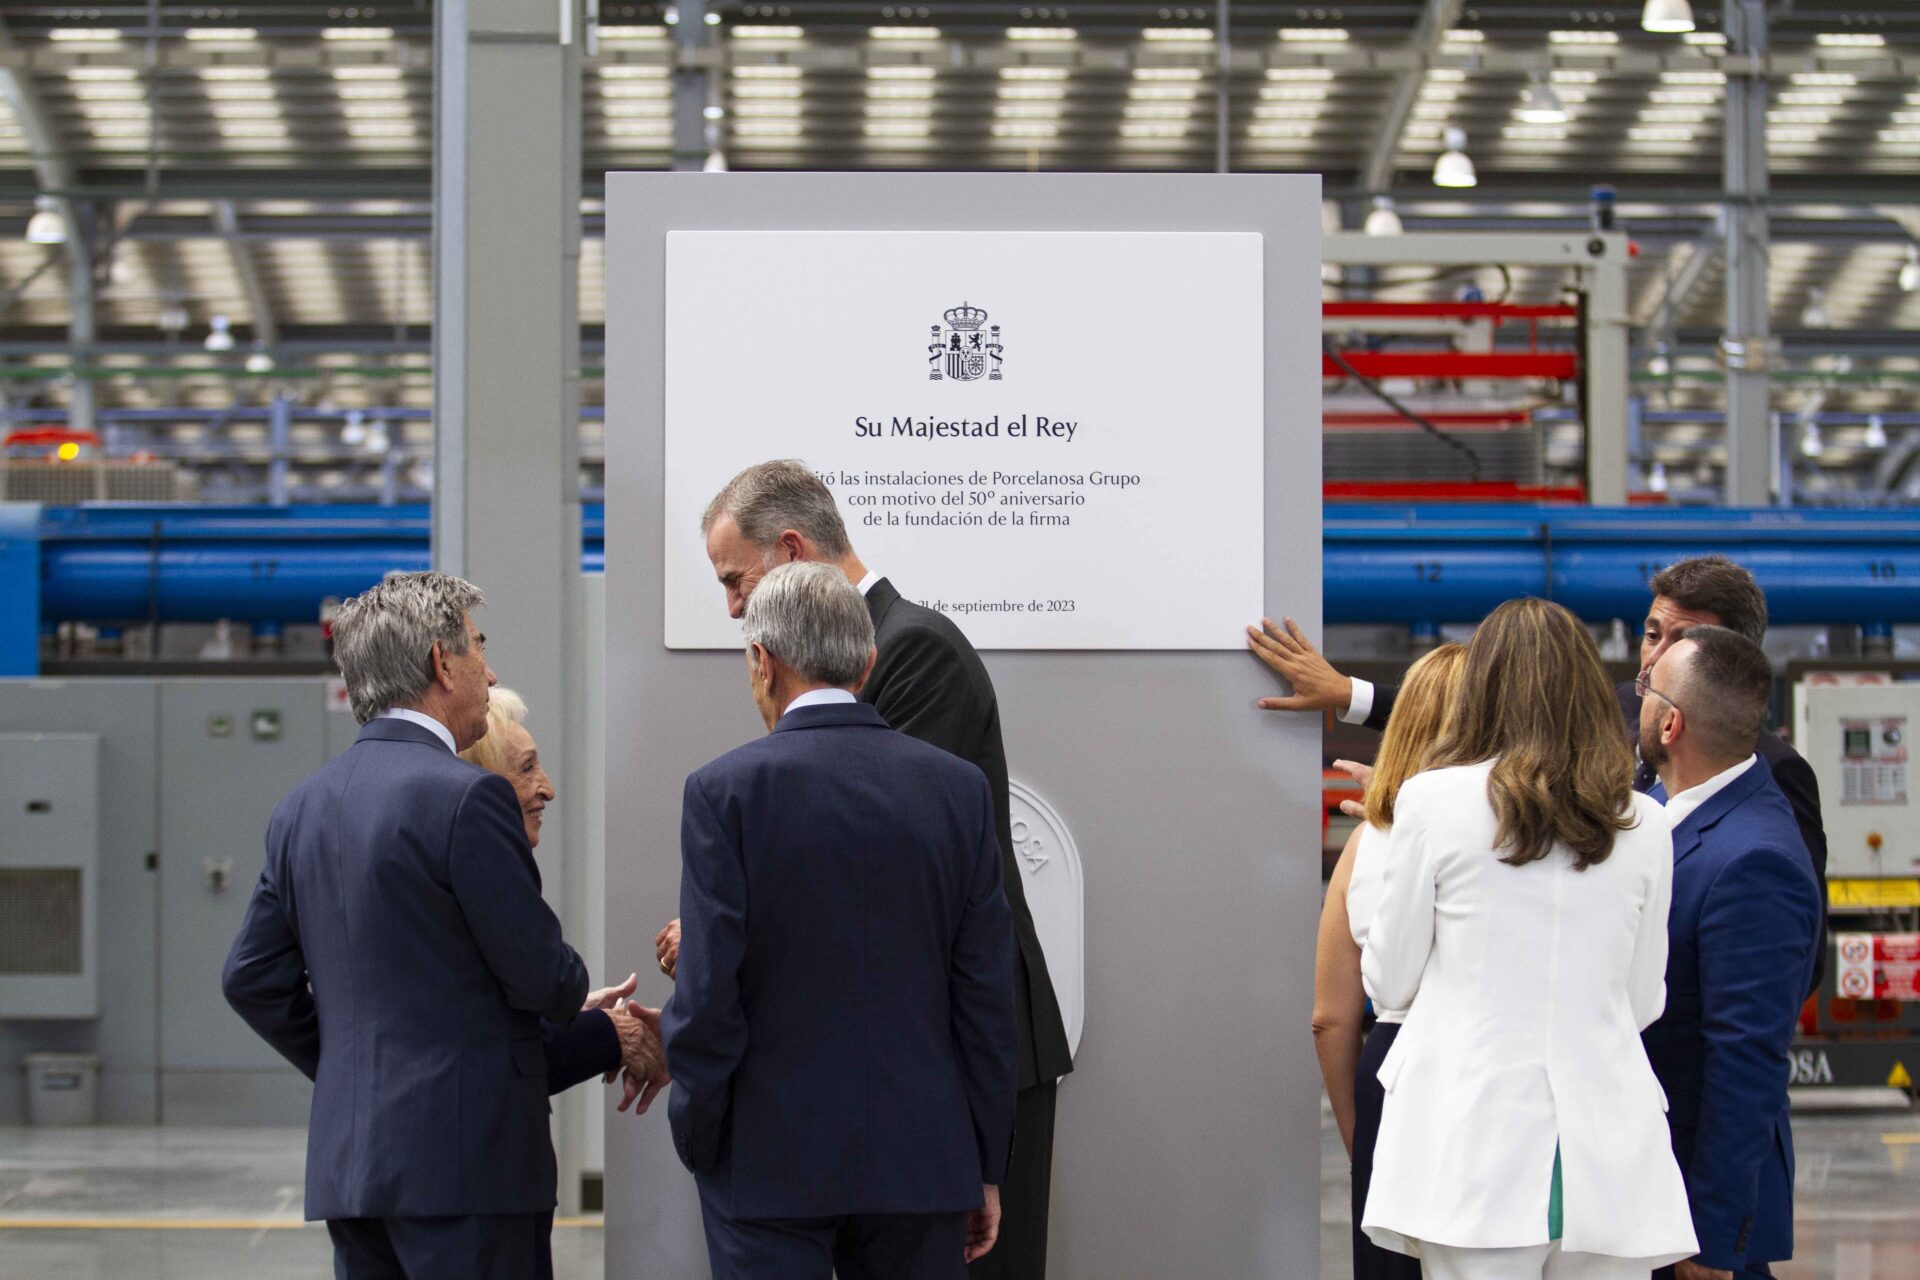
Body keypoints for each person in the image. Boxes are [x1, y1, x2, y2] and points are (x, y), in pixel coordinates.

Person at [662, 457, 1073, 1279]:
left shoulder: (912, 647)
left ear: (789, 551)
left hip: (919, 1080)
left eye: (735, 581)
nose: (735, 609)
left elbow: (872, 872)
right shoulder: (886, 650)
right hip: (900, 1088)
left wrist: (720, 931)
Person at [221, 571, 668, 1280]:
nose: (489, 674)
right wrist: (572, 1000)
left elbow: (251, 980)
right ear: (440, 661)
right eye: (479, 649)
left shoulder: (302, 806)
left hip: (355, 1170)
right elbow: (547, 980)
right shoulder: (467, 798)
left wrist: (357, 1067)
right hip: (470, 1172)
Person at [1248, 553, 1829, 995]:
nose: (1655, 657)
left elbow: (1796, 961)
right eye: (1653, 634)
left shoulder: (1777, 776)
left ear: (1732, 657)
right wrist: (1351, 697)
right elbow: (1501, 721)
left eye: (1682, 640)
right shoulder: (1625, 709)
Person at [1360, 597, 1697, 1280]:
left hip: (1471, 1148)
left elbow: (1388, 984)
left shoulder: (1430, 801)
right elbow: (1640, 1001)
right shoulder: (1646, 824)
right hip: (1608, 1153)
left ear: (1481, 687)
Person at [1638, 627, 1822, 1280]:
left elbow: (1746, 1067)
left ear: (1670, 723)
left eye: (1646, 688)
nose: (1639, 695)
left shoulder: (1755, 861)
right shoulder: (1662, 804)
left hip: (1695, 1221)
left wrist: (1710, 1240)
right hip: (1645, 1196)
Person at [1312, 642, 1465, 1280]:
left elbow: (1330, 1017)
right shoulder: (1527, 833)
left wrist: (1360, 1140)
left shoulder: (1367, 845)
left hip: (1390, 1074)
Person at [460, 687, 662, 1109]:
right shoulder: (481, 870)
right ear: (481, 786)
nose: (547, 789)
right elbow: (509, 1033)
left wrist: (578, 1015)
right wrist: (614, 1032)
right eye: (527, 768)